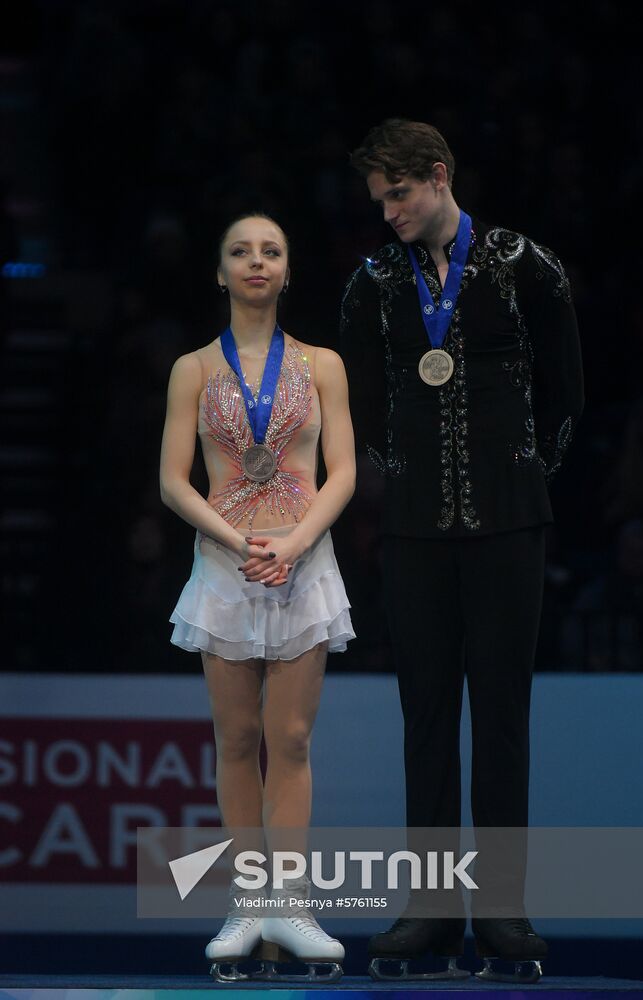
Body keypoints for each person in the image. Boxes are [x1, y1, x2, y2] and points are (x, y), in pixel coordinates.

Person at [340, 119, 584, 983]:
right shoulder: (371, 285)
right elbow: (360, 411)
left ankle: (505, 907)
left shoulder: (526, 267)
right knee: (428, 719)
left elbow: (565, 396)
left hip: (510, 528)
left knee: (503, 718)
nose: (390, 214)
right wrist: (407, 483)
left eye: (399, 195)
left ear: (438, 177)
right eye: (380, 201)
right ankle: (433, 909)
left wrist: (517, 480)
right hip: (412, 534)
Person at [160, 213, 355, 982]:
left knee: (295, 740)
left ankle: (293, 906)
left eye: (271, 250)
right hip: (226, 567)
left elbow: (340, 470)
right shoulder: (193, 369)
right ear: (220, 271)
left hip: (303, 565)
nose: (256, 261)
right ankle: (247, 902)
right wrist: (242, 545)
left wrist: (297, 542)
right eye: (241, 251)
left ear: (287, 270)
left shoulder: (324, 364)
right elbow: (174, 480)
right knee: (238, 740)